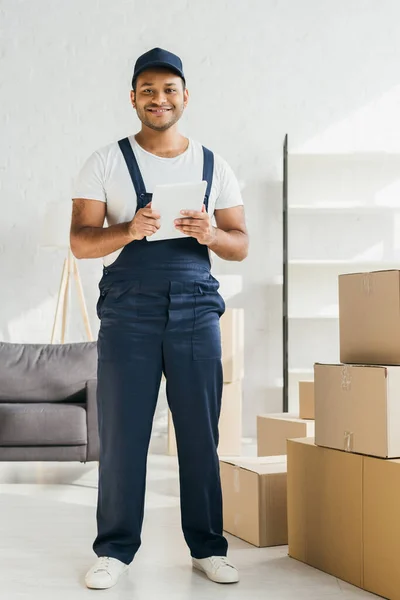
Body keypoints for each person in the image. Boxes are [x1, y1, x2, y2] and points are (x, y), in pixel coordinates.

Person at [70, 47, 249, 590]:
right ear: (133, 98)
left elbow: (240, 244)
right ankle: (115, 551)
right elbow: (80, 242)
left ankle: (208, 547)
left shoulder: (215, 165)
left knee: (199, 432)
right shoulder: (103, 160)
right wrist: (128, 229)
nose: (159, 99)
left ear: (185, 97)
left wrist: (209, 234)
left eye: (169, 89)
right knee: (123, 432)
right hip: (129, 313)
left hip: (196, 309)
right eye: (148, 90)